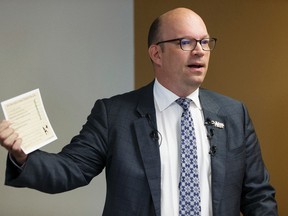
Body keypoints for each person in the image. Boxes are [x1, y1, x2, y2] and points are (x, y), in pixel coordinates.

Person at [0, 7, 278, 216]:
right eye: (186, 42)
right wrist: (23, 158)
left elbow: (258, 198)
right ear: (156, 54)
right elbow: (71, 168)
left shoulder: (233, 115)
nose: (200, 51)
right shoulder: (114, 114)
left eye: (205, 42)